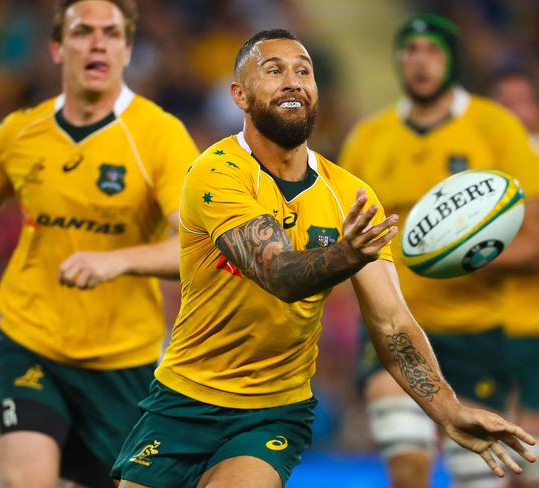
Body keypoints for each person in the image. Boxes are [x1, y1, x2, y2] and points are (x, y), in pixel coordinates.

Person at [111, 28, 536, 488]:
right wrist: (346, 253)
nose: (292, 81)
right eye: (273, 71)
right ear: (240, 94)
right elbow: (279, 274)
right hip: (183, 401)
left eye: (303, 71)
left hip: (272, 412)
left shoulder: (350, 194)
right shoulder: (216, 172)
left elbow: (391, 322)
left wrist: (449, 411)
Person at [0, 1, 199, 487]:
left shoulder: (160, 136)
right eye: (82, 32)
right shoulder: (20, 133)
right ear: (57, 47)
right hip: (30, 343)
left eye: (111, 33)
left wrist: (117, 262)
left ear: (127, 49)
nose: (97, 42)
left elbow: (197, 245)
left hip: (122, 360)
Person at [339, 14, 539, 488]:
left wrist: (459, 255)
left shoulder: (496, 128)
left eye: (433, 50)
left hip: (475, 331)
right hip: (395, 325)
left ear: (452, 59)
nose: (420, 62)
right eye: (410, 50)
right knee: (406, 458)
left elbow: (534, 241)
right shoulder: (369, 137)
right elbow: (343, 232)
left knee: (484, 476)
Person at [488, 68, 539, 488]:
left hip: (530, 328)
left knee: (523, 461)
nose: (510, 113)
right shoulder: (475, 170)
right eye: (501, 104)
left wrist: (464, 260)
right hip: (478, 327)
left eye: (519, 102)